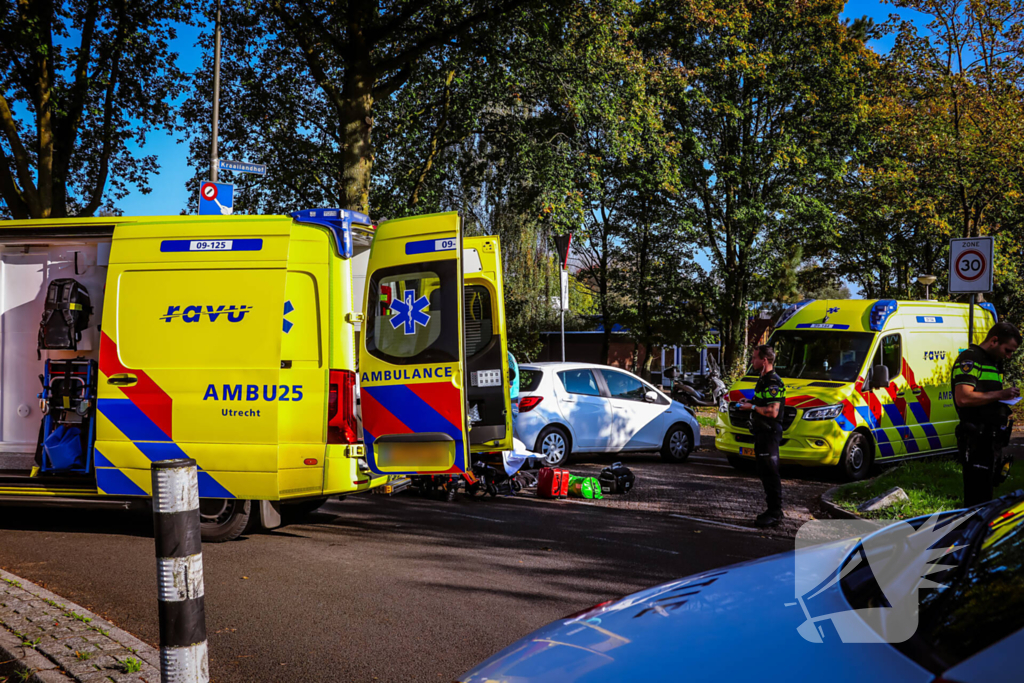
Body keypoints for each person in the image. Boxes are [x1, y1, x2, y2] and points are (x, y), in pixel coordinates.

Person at [952, 321, 1021, 507]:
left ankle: (981, 534)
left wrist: (1006, 397)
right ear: (994, 341)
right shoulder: (971, 359)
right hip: (976, 438)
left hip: (991, 439)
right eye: (1008, 350)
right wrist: (1001, 394)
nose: (1009, 356)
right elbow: (963, 398)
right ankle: (970, 535)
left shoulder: (994, 362)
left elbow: (987, 396)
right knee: (976, 498)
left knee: (986, 495)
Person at [737, 345, 786, 528]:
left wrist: (751, 408)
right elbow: (762, 402)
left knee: (771, 473)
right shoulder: (763, 380)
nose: (752, 361)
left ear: (764, 360)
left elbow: (773, 411)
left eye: (755, 358)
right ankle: (771, 509)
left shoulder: (773, 382)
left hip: (769, 432)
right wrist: (750, 402)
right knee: (764, 472)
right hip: (761, 433)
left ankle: (776, 512)